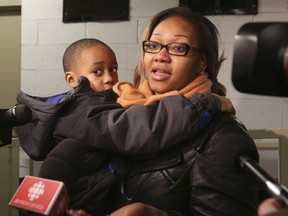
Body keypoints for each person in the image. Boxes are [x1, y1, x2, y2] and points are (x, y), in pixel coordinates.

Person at [15, 37, 234, 213]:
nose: (110, 78)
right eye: (97, 71)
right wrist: (203, 104)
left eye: (114, 68)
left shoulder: (107, 103)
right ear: (72, 80)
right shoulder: (81, 112)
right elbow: (137, 129)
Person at [90, 6, 258, 216]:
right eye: (153, 45)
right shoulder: (121, 112)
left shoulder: (223, 137)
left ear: (202, 61)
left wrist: (156, 215)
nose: (161, 56)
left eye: (178, 48)